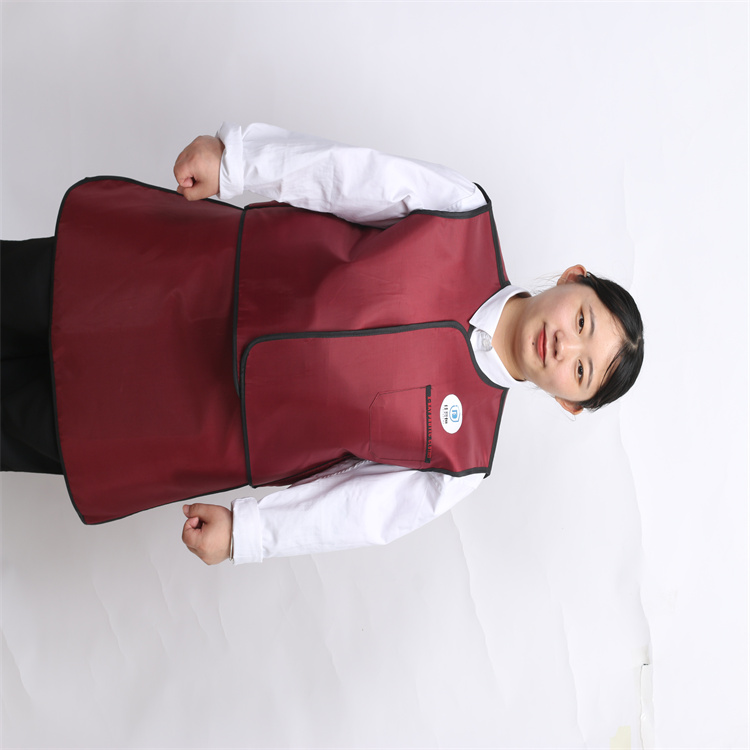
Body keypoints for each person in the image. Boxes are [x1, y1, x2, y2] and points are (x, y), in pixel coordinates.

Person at [1, 123, 644, 567]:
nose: (565, 346)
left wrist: (248, 534)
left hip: (199, 422)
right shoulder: (462, 215)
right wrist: (237, 162)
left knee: (26, 419)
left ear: (568, 402)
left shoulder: (461, 458)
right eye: (583, 321)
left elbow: (354, 512)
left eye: (581, 371)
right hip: (199, 276)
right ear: (572, 279)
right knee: (24, 290)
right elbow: (347, 175)